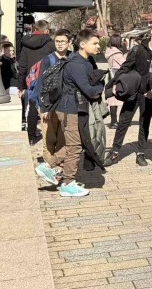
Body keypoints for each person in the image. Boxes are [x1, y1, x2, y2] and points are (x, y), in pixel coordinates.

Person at [35, 29, 104, 198]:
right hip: (69, 109)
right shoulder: (76, 64)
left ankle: (49, 167)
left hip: (71, 108)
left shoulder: (82, 61)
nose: (98, 46)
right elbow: (89, 90)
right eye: (95, 43)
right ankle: (67, 183)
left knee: (72, 144)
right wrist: (101, 86)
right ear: (83, 44)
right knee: (75, 147)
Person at [103, 23, 152, 168]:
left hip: (149, 94)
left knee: (145, 123)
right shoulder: (138, 49)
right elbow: (125, 67)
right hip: (134, 92)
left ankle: (141, 153)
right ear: (151, 32)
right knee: (124, 121)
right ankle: (115, 151)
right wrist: (113, 83)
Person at [18, 20, 55, 145]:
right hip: (47, 78)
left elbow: (22, 66)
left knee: (33, 108)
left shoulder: (26, 44)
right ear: (46, 30)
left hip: (31, 79)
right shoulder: (50, 44)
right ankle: (50, 134)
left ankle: (31, 136)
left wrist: (21, 86)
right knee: (49, 107)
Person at [104, 35, 126, 130]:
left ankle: (113, 121)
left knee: (112, 99)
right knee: (116, 99)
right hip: (118, 76)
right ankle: (115, 122)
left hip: (111, 76)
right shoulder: (117, 54)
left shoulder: (109, 50)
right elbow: (125, 64)